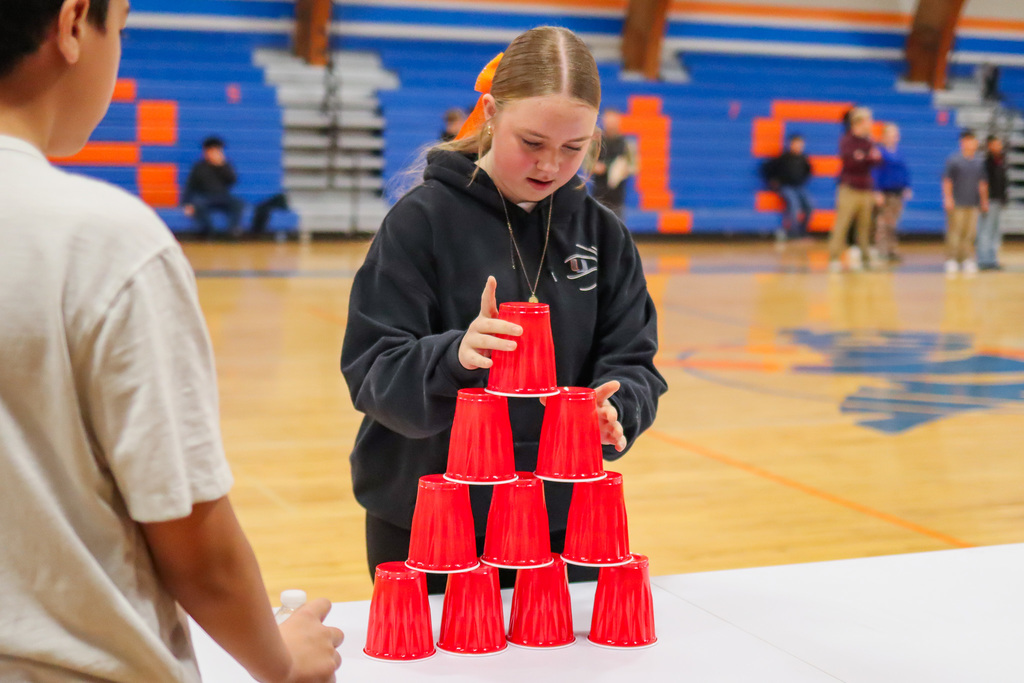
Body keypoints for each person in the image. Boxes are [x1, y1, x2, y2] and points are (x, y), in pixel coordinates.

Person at [0, 2, 343, 681]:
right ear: (72, 24)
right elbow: (194, 543)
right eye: (120, 28)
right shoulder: (103, 242)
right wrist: (280, 660)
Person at [341, 26, 667, 595]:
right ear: (491, 113)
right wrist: (455, 355)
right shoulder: (421, 223)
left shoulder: (603, 234)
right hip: (432, 515)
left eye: (574, 148)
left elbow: (634, 360)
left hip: (562, 519)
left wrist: (621, 408)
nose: (550, 166)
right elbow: (373, 371)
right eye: (533, 142)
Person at [828, 107, 882, 272]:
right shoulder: (847, 140)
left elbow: (877, 160)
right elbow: (852, 162)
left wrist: (864, 157)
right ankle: (834, 257)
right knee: (842, 224)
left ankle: (865, 258)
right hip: (849, 188)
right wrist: (867, 158)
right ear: (858, 123)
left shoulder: (869, 141)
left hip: (866, 189)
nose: (871, 124)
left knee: (865, 226)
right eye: (868, 121)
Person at [942, 130, 988, 275]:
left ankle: (967, 259)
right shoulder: (954, 160)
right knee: (955, 231)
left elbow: (982, 182)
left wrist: (984, 200)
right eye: (968, 140)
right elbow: (947, 181)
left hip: (973, 202)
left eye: (973, 140)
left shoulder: (980, 161)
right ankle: (952, 259)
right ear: (962, 142)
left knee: (970, 233)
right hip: (957, 202)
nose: (971, 143)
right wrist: (948, 198)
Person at [183, 136, 246, 238]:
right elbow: (190, 186)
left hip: (222, 197)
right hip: (205, 197)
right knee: (198, 205)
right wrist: (187, 204)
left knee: (238, 204)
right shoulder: (199, 167)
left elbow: (232, 180)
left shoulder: (225, 165)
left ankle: (232, 231)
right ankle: (209, 232)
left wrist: (221, 166)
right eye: (211, 151)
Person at [871, 123, 912, 264]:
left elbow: (904, 171)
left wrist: (907, 186)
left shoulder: (899, 152)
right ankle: (881, 251)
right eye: (890, 134)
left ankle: (892, 250)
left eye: (895, 134)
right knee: (883, 223)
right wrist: (876, 191)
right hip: (885, 192)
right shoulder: (879, 152)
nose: (894, 137)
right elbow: (875, 172)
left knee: (893, 223)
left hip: (897, 193)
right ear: (884, 136)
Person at [762, 133, 813, 240]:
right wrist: (774, 181)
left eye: (800, 144)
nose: (798, 146)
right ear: (790, 144)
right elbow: (767, 168)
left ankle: (803, 232)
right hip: (786, 186)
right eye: (796, 144)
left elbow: (808, 171)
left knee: (809, 206)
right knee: (794, 205)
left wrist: (802, 180)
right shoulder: (783, 158)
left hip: (799, 187)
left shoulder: (804, 158)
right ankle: (793, 234)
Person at [591, 108, 636, 220]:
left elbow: (634, 165)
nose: (611, 124)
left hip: (617, 194)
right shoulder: (596, 142)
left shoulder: (627, 143)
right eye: (608, 120)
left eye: (613, 121)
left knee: (617, 224)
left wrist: (623, 169)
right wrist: (594, 167)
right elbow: (587, 162)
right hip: (599, 191)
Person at [978, 135, 1008, 270]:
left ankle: (992, 259)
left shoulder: (1000, 161)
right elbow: (982, 183)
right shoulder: (986, 162)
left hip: (998, 200)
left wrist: (1003, 198)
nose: (999, 146)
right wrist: (984, 200)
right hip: (989, 200)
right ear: (989, 145)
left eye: (1000, 144)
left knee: (995, 231)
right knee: (985, 230)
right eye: (996, 144)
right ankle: (983, 260)